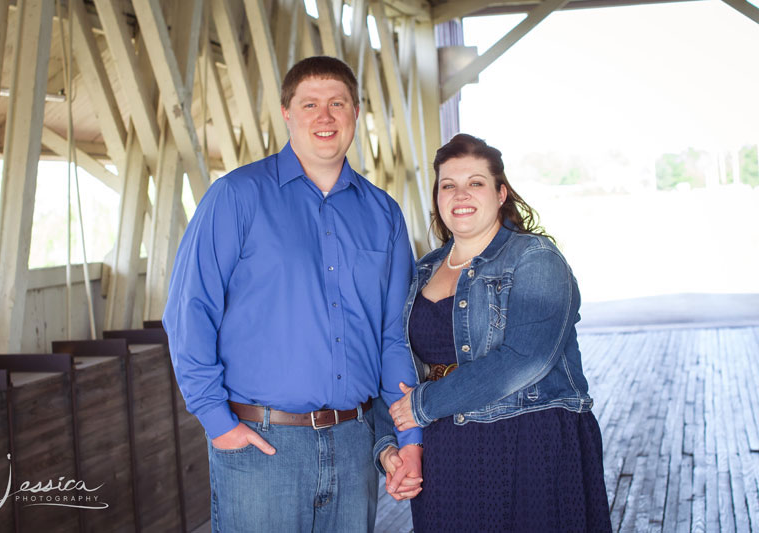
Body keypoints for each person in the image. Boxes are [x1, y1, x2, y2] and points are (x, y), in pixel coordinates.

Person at [162, 56, 422, 533]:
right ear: (287, 113)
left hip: (354, 444)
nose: (324, 117)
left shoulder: (384, 214)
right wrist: (217, 422)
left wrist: (409, 435)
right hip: (263, 446)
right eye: (310, 104)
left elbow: (394, 337)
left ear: (355, 113)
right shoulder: (236, 197)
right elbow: (188, 311)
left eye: (336, 103)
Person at [388, 133, 612, 532]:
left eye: (475, 183)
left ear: (501, 193)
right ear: (437, 197)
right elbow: (396, 358)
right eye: (448, 185)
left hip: (529, 445)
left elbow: (525, 357)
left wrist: (424, 403)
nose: (461, 195)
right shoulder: (422, 269)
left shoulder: (535, 257)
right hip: (446, 453)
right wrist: (391, 446)